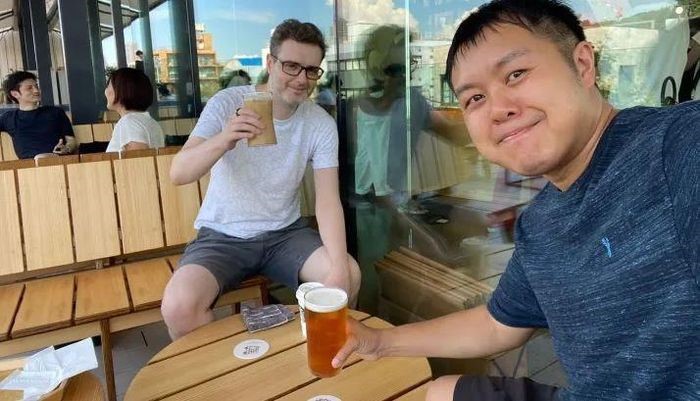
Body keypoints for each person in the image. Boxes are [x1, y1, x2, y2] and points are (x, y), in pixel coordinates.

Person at [333, 1, 699, 400]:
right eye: (474, 98)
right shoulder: (540, 223)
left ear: (582, 65)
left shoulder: (676, 147)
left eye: (516, 74)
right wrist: (379, 342)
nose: (498, 110)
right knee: (440, 393)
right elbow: (498, 325)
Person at [162, 19, 361, 340]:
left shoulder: (319, 123)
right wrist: (224, 138)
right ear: (270, 62)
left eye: (311, 70)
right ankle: (218, 382)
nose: (301, 79)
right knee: (179, 307)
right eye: (292, 66)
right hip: (223, 235)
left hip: (286, 233)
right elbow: (179, 173)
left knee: (348, 274)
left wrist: (338, 266)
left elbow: (327, 200)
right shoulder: (227, 103)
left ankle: (318, 360)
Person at [0, 71, 75, 159]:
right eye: (29, 88)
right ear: (15, 94)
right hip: (27, 167)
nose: (36, 90)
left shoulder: (55, 112)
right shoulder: (8, 118)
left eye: (36, 86)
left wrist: (67, 148)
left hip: (58, 161)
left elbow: (71, 140)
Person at [104, 68, 164, 152]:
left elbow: (136, 162)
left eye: (109, 86)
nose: (106, 91)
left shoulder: (129, 123)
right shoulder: (149, 121)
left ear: (122, 90)